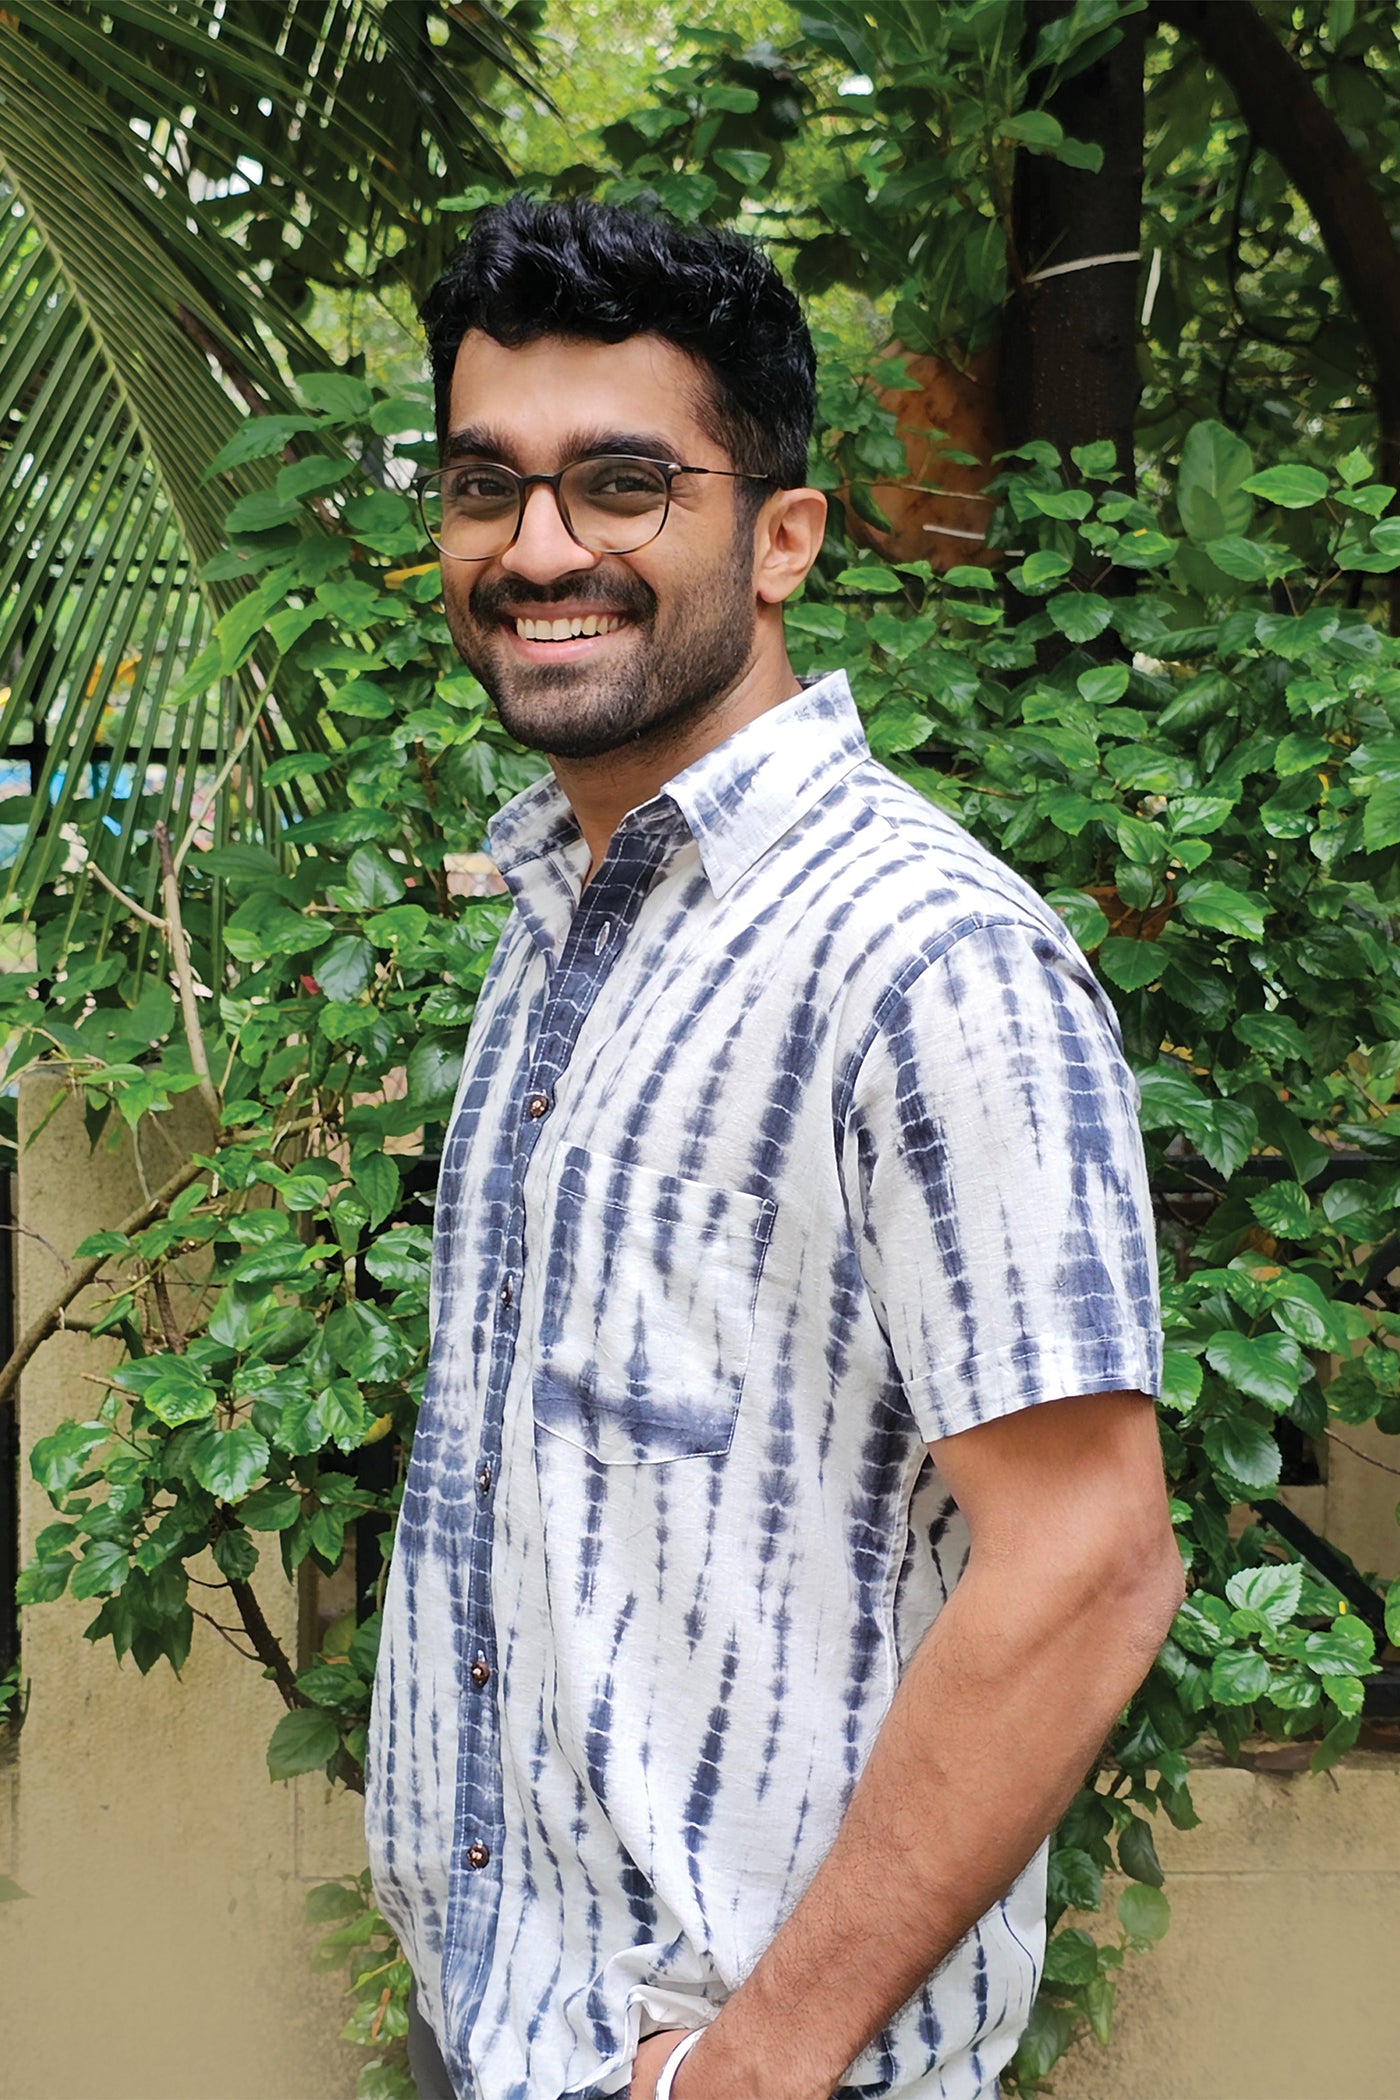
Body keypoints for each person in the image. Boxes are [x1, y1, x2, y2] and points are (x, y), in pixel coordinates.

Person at [364, 195, 1183, 2100]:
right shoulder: (559, 914)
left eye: (623, 484)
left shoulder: (922, 958)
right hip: (499, 2028)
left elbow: (1089, 1564)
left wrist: (761, 2061)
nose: (539, 548)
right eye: (487, 487)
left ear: (783, 530)